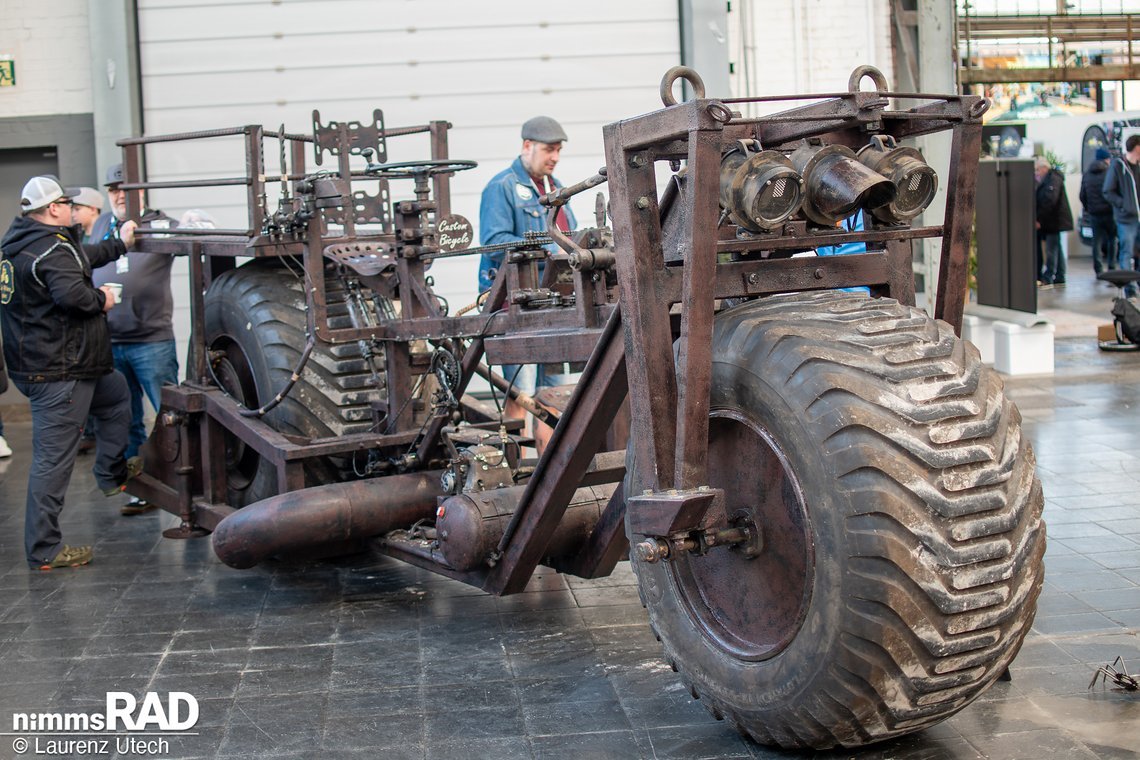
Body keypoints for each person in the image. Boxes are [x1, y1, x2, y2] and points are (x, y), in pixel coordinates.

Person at [0, 175, 140, 570]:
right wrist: (104, 299)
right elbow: (74, 296)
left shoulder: (27, 244)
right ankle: (45, 548)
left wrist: (119, 244)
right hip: (59, 372)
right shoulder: (50, 251)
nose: (72, 208)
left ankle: (110, 472)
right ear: (53, 209)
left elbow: (84, 258)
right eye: (67, 202)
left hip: (68, 365)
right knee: (52, 462)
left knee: (115, 396)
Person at [478, 116, 578, 433]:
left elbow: (570, 237)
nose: (555, 157)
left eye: (558, 150)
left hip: (556, 310)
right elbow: (493, 244)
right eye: (549, 149)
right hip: (516, 312)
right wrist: (549, 246)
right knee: (519, 399)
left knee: (553, 400)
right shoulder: (501, 187)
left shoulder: (557, 189)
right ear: (527, 146)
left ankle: (551, 478)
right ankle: (517, 478)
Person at [89, 164, 179, 514]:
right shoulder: (100, 226)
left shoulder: (161, 225)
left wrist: (198, 224)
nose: (117, 195)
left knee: (168, 414)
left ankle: (182, 482)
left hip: (151, 340)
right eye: (112, 189)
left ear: (141, 191)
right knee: (124, 418)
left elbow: (197, 240)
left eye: (124, 189)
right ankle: (141, 487)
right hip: (111, 340)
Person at [1102, 134, 1140, 297]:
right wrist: (1125, 205)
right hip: (1126, 219)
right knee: (1126, 253)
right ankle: (1129, 290)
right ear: (1136, 147)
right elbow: (1108, 191)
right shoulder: (1118, 166)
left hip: (1138, 218)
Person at [1035, 156, 1073, 288]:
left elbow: (1049, 201)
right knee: (1057, 248)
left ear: (1044, 168)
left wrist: (1040, 219)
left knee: (1052, 250)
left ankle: (1048, 277)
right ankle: (1060, 276)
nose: (1037, 173)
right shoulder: (1051, 179)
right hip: (1053, 220)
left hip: (1054, 221)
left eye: (1038, 170)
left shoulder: (1053, 179)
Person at [1080, 147, 1117, 276]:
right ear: (1107, 159)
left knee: (1096, 241)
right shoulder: (1110, 172)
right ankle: (1112, 267)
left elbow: (1082, 195)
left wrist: (1088, 208)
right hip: (1110, 212)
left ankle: (1098, 269)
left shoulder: (1087, 173)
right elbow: (1115, 192)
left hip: (1094, 214)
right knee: (1113, 239)